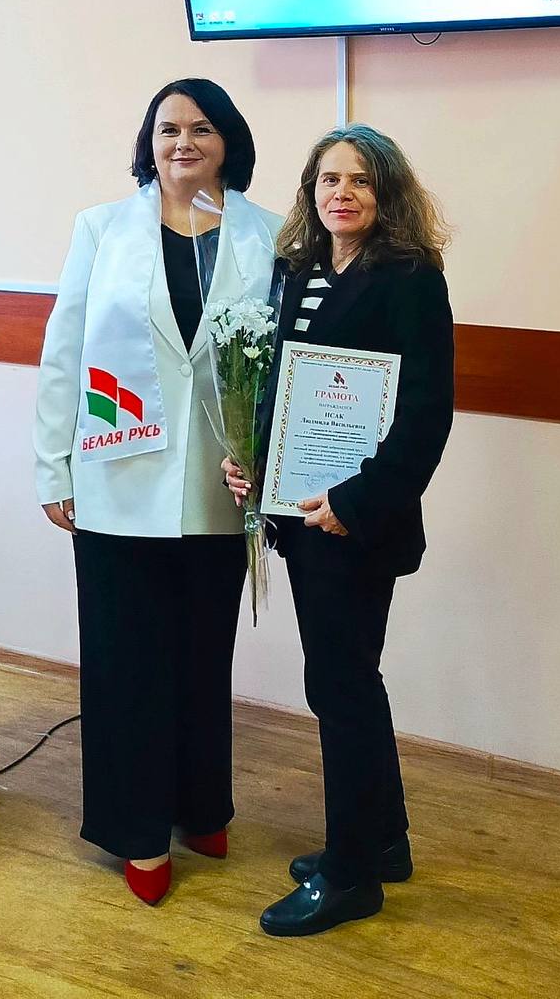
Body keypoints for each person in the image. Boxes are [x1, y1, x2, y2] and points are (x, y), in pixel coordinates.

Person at [35, 78, 281, 905]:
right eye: (168, 128)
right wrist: (52, 466)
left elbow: (285, 360)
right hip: (117, 477)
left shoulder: (268, 234)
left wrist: (276, 466)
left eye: (202, 128)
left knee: (204, 656)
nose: (183, 142)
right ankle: (138, 831)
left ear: (228, 141)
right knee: (127, 663)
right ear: (149, 142)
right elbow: (64, 350)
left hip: (219, 483)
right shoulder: (102, 229)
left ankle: (201, 805)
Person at [224, 123, 454, 937]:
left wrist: (356, 503)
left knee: (341, 686)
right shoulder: (299, 270)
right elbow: (279, 384)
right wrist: (254, 463)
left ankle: (351, 875)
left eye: (359, 179)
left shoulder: (411, 279)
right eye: (329, 179)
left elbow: (425, 415)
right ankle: (382, 841)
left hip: (356, 524)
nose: (342, 193)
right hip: (299, 513)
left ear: (386, 192)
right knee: (346, 681)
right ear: (310, 191)